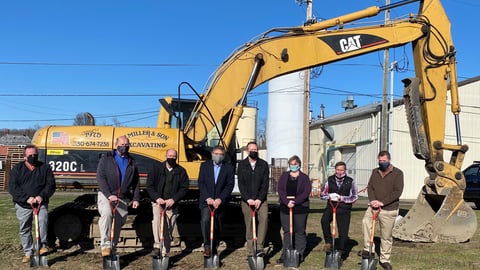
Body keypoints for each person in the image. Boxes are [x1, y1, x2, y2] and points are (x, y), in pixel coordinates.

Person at [8, 144, 56, 264]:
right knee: (25, 228)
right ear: (25, 157)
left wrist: (42, 196)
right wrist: (26, 198)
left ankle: (42, 247)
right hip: (23, 204)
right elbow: (13, 188)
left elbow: (50, 185)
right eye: (30, 155)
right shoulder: (17, 169)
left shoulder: (45, 168)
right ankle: (28, 252)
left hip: (41, 203)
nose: (33, 157)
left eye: (35, 155)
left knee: (43, 223)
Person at [96, 135, 140, 257]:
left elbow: (136, 181)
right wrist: (109, 195)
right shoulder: (107, 158)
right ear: (116, 145)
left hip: (123, 197)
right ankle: (105, 245)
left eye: (126, 145)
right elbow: (100, 177)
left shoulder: (132, 161)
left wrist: (136, 198)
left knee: (118, 223)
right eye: (122, 144)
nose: (124, 147)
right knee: (107, 214)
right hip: (107, 194)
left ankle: (112, 249)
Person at [360, 150, 403, 270]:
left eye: (384, 161)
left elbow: (397, 192)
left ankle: (385, 259)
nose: (382, 163)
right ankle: (369, 250)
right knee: (365, 222)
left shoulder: (398, 173)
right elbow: (370, 187)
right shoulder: (375, 172)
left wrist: (382, 202)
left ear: (389, 160)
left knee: (386, 236)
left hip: (389, 209)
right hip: (373, 206)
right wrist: (373, 200)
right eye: (380, 161)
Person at [146, 148, 189, 257]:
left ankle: (165, 252)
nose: (171, 158)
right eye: (170, 156)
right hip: (158, 202)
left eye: (174, 156)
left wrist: (173, 199)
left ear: (177, 157)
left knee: (168, 229)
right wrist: (157, 198)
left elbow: (184, 188)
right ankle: (157, 247)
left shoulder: (181, 171)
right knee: (157, 222)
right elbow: (149, 185)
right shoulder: (156, 169)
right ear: (166, 156)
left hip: (172, 204)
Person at [198, 145, 235, 257]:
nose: (218, 156)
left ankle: (215, 245)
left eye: (221, 154)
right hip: (206, 201)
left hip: (220, 202)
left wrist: (221, 198)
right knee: (205, 220)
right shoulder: (204, 166)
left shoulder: (228, 168)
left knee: (218, 225)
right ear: (212, 154)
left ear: (223, 156)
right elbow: (201, 182)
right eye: (216, 154)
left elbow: (229, 185)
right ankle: (207, 246)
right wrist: (207, 198)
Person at [277, 155, 311, 264]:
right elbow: (281, 190)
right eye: (291, 164)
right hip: (285, 207)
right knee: (287, 231)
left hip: (300, 208)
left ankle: (299, 254)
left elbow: (306, 192)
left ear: (299, 165)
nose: (293, 166)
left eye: (295, 164)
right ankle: (286, 254)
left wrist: (295, 202)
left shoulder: (304, 178)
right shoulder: (284, 176)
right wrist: (287, 202)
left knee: (299, 231)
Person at [237, 142, 270, 257]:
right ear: (247, 151)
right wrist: (248, 199)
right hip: (247, 200)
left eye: (256, 150)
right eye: (252, 150)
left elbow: (265, 183)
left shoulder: (263, 165)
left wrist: (259, 199)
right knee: (249, 224)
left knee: (264, 219)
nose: (254, 151)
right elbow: (241, 184)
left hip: (261, 200)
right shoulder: (242, 165)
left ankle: (260, 247)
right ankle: (251, 250)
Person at [320, 161, 358, 259]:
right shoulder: (329, 180)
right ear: (335, 170)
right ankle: (328, 242)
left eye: (341, 170)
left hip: (344, 208)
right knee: (324, 221)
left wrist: (342, 198)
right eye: (337, 170)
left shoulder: (350, 181)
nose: (339, 172)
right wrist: (329, 196)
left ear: (345, 170)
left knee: (343, 232)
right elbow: (322, 194)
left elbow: (354, 197)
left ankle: (341, 251)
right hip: (331, 206)